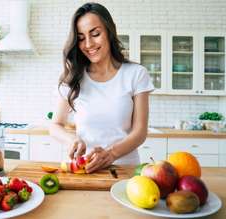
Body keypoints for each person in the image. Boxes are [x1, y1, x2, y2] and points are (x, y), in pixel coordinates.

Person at [49, 2, 154, 173]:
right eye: (81, 38)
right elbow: (55, 125)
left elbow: (140, 131)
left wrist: (111, 154)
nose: (88, 44)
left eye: (95, 34)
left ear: (109, 31)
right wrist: (72, 139)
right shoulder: (74, 77)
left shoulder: (136, 74)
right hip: (85, 169)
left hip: (125, 170)